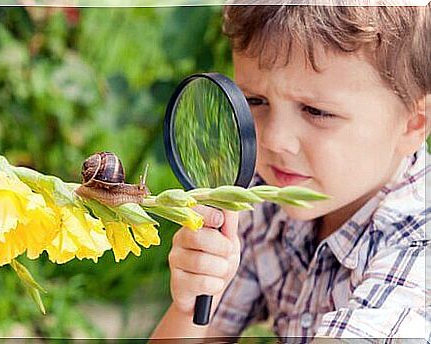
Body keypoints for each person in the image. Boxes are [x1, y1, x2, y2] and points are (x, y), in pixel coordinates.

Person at [151, 3, 430, 342]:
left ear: (413, 124)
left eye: (317, 111)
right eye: (255, 101)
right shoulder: (263, 199)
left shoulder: (418, 257)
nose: (274, 139)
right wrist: (190, 303)